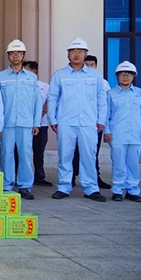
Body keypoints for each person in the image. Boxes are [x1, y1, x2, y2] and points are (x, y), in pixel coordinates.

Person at [48, 38, 108, 202]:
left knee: (89, 156)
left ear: (85, 54)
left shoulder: (94, 75)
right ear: (68, 54)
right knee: (65, 155)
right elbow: (52, 98)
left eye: (80, 51)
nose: (76, 54)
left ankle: (91, 188)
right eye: (73, 51)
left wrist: (101, 119)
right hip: (65, 122)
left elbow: (101, 99)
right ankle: (64, 186)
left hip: (89, 122)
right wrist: (52, 119)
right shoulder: (59, 75)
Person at [0, 40, 42, 200]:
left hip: (26, 123)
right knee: (6, 155)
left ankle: (24, 186)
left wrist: (36, 123)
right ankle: (7, 185)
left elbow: (37, 102)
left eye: (18, 53)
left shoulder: (31, 77)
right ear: (8, 55)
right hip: (6, 123)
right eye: (12, 53)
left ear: (24, 55)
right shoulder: (0, 77)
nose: (15, 56)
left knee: (25, 155)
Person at [105, 61, 141, 202]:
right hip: (117, 134)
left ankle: (132, 190)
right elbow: (105, 115)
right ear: (117, 76)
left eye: (129, 74)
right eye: (122, 74)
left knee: (133, 164)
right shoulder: (110, 94)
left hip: (136, 134)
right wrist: (107, 131)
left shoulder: (139, 93)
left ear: (133, 76)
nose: (125, 77)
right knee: (118, 164)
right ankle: (117, 190)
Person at [70, 55, 112, 189]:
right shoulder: (74, 78)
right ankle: (71, 177)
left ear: (96, 66)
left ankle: (95, 178)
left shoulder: (102, 82)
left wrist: (102, 121)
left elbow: (105, 103)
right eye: (86, 64)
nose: (89, 67)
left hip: (94, 124)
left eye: (92, 64)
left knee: (92, 152)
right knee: (73, 151)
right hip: (75, 122)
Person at [23, 60, 52, 187]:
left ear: (34, 71)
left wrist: (42, 111)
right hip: (25, 124)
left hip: (41, 124)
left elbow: (50, 101)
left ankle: (39, 176)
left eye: (26, 70)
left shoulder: (45, 86)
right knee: (23, 151)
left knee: (39, 152)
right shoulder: (22, 85)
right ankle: (21, 175)